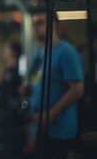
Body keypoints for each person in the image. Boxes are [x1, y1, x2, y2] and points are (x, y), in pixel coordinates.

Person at [19, 10, 84, 159]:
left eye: (40, 23)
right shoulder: (40, 52)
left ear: (54, 25)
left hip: (60, 130)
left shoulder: (67, 52)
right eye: (34, 24)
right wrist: (28, 88)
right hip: (42, 128)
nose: (35, 27)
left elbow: (77, 89)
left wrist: (50, 115)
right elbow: (38, 79)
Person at [0, 40, 26, 158]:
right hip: (6, 112)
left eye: (6, 49)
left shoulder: (21, 70)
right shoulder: (7, 70)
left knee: (15, 147)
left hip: (16, 115)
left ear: (12, 52)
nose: (4, 52)